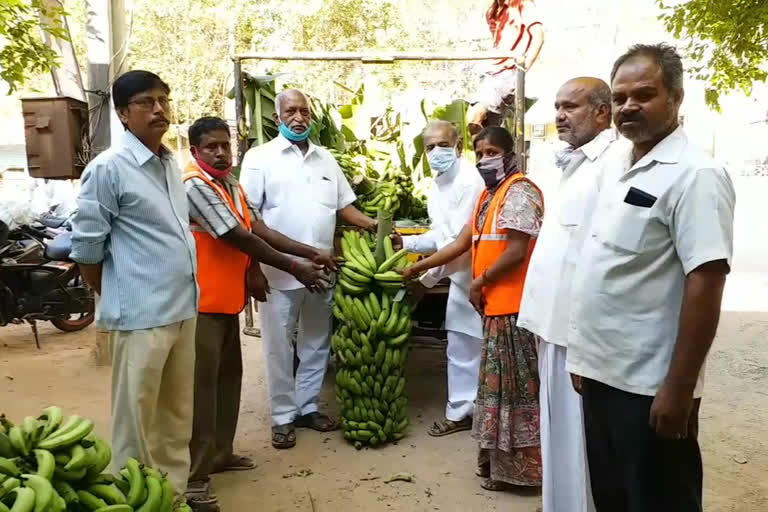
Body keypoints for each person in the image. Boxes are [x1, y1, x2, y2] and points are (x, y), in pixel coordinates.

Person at [566, 44, 736, 512]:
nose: (629, 107)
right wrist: (584, 359)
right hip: (603, 377)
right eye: (620, 98)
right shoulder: (618, 166)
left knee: (661, 500)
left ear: (676, 98)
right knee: (614, 498)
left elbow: (706, 280)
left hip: (649, 386)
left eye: (644, 94)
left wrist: (679, 388)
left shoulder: (696, 174)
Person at [182, 116, 334, 510]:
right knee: (202, 390)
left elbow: (259, 228)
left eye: (224, 146)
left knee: (228, 379)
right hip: (199, 303)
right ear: (195, 150)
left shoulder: (229, 183)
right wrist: (294, 267)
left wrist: (309, 251)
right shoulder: (195, 185)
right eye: (210, 147)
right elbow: (237, 236)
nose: (220, 153)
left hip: (225, 300)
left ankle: (221, 453)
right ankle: (196, 477)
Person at [70, 70, 197, 497]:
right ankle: (133, 499)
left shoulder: (168, 163)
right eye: (146, 102)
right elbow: (88, 250)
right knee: (136, 423)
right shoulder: (108, 169)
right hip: (140, 316)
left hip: (182, 309)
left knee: (176, 418)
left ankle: (171, 496)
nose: (159, 109)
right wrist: (122, 295)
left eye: (164, 99)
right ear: (123, 113)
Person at [400, 126, 544, 492]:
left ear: (511, 154)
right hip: (492, 306)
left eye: (492, 152)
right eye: (480, 154)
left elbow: (517, 250)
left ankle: (526, 473)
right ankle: (499, 466)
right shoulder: (488, 197)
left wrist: (479, 280)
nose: (485, 160)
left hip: (514, 307)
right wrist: (417, 263)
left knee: (518, 392)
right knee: (496, 391)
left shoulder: (520, 191)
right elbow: (463, 240)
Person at [240, 89, 377, 450]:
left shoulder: (325, 159)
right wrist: (252, 267)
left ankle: (307, 407)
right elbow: (248, 221)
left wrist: (374, 225)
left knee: (317, 341)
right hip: (280, 272)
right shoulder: (259, 159)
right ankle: (283, 417)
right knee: (279, 346)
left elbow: (345, 207)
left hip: (323, 270)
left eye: (304, 111)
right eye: (291, 111)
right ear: (277, 117)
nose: (298, 117)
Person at [517, 77, 616, 512]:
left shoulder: (614, 163)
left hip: (578, 336)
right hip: (552, 329)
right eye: (557, 106)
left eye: (571, 107)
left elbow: (601, 258)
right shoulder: (575, 164)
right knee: (557, 436)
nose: (559, 115)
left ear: (602, 112)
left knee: (580, 442)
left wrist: (583, 342)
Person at [393, 121, 484, 436]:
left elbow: (459, 244)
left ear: (458, 147)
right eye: (429, 147)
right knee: (461, 347)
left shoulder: (470, 183)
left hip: (480, 277)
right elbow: (440, 234)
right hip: (460, 278)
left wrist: (422, 277)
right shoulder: (439, 184)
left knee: (480, 349)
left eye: (442, 145)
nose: (435, 152)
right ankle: (463, 413)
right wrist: (406, 244)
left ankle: (480, 416)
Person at [467, 0, 544, 133]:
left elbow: (538, 37)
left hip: (508, 71)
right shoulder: (493, 10)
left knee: (474, 117)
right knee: (487, 127)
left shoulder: (522, 4)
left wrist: (522, 70)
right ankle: (491, 152)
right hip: (491, 71)